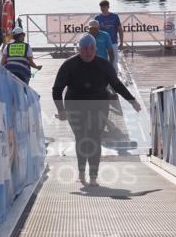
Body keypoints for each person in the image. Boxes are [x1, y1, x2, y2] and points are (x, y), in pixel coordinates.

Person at [53, 34, 141, 186]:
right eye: (85, 49)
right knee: (81, 138)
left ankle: (93, 176)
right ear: (79, 49)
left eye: (91, 48)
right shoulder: (69, 65)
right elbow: (57, 89)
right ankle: (81, 173)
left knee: (95, 139)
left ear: (95, 49)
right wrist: (61, 110)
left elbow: (117, 85)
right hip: (75, 105)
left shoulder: (103, 65)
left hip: (99, 105)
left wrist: (132, 101)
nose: (88, 52)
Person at [93, 0, 124, 72]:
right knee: (101, 62)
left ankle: (114, 76)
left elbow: (120, 30)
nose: (102, 9)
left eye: (104, 7)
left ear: (108, 7)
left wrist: (121, 42)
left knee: (114, 62)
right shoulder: (97, 18)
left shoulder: (115, 16)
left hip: (113, 42)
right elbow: (94, 32)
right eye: (101, 7)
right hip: (101, 43)